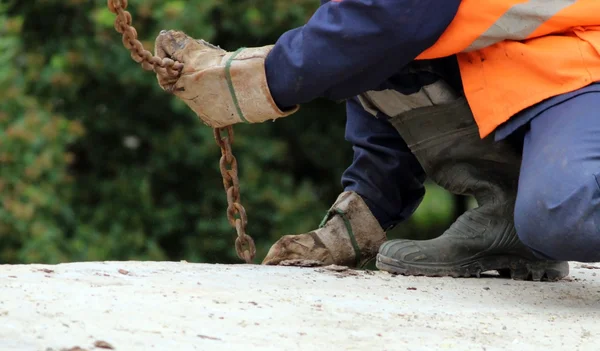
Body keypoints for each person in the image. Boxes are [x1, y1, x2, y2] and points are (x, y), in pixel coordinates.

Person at [153, 0, 600, 280]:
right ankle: (511, 216)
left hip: (586, 59)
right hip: (541, 72)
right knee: (364, 49)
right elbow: (377, 57)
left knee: (568, 213)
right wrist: (364, 212)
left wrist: (256, 80)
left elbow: (394, 17)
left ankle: (542, 213)